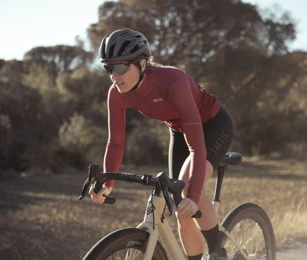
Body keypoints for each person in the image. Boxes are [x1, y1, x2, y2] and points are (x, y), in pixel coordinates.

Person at [89, 28, 234, 260]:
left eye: (120, 68)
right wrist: (108, 181)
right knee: (181, 212)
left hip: (213, 125)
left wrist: (193, 197)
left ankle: (218, 252)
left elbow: (197, 147)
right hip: (178, 130)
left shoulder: (173, 81)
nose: (114, 76)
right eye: (108, 68)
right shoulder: (117, 93)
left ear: (143, 63)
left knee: (187, 192)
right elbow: (115, 144)